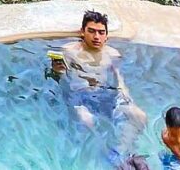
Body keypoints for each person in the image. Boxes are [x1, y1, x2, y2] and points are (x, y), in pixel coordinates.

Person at [48, 10, 148, 162]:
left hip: (105, 94)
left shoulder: (112, 54)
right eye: (92, 31)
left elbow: (119, 78)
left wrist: (126, 97)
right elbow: (62, 80)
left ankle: (117, 153)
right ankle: (96, 153)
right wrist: (57, 71)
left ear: (106, 35)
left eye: (101, 32)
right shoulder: (69, 51)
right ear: (82, 32)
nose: (96, 37)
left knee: (139, 116)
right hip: (80, 95)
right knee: (86, 121)